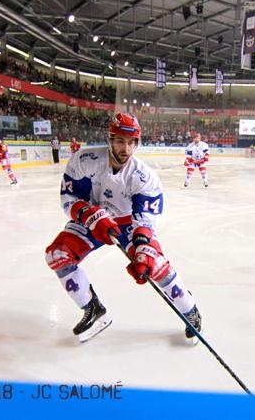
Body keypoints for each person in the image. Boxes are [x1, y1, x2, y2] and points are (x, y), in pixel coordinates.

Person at [44, 112, 202, 343]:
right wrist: (90, 214)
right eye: (120, 141)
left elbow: (146, 220)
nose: (125, 149)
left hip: (128, 222)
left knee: (154, 263)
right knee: (57, 254)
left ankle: (190, 310)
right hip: (93, 219)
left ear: (137, 143)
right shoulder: (84, 160)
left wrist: (142, 248)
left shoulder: (144, 176)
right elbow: (69, 198)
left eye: (131, 143)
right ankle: (93, 309)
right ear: (110, 139)